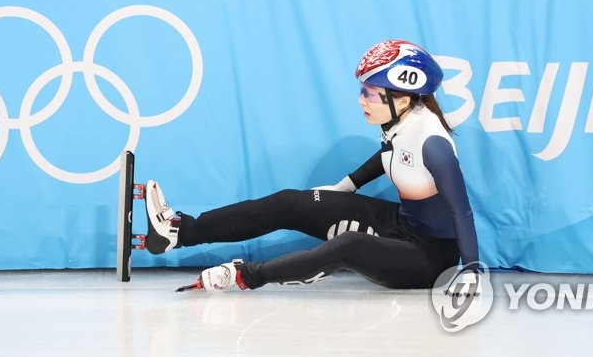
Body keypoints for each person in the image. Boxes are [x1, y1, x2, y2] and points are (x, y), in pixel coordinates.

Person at [145, 39, 480, 292]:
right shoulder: (402, 122)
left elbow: (461, 211)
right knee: (292, 202)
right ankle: (178, 232)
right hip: (400, 225)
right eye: (362, 90)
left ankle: (245, 276)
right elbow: (390, 154)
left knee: (349, 246)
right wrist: (344, 187)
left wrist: (473, 271)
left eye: (370, 93)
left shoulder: (434, 143)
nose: (361, 100)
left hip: (430, 259)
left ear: (403, 99)